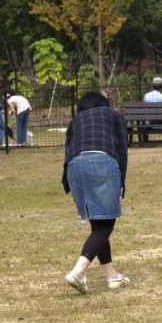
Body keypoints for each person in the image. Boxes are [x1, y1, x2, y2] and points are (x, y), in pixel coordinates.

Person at [62, 92, 130, 294]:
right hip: (102, 161)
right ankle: (78, 272)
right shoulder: (114, 115)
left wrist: (68, 184)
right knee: (107, 223)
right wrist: (121, 184)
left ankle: (112, 276)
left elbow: (67, 151)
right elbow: (122, 150)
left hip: (74, 166)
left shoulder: (75, 122)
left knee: (98, 222)